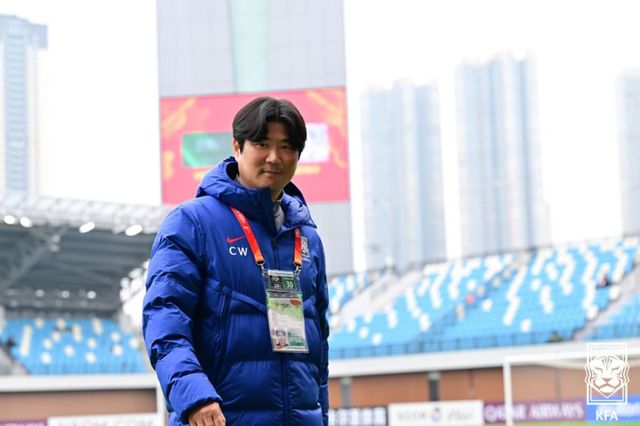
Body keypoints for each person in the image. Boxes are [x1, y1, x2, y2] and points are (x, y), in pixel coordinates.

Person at [143, 97, 330, 426]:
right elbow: (164, 320)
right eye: (262, 144)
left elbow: (320, 350)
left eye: (286, 147)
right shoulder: (192, 224)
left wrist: (321, 416)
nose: (274, 157)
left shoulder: (307, 238)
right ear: (237, 146)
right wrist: (194, 396)